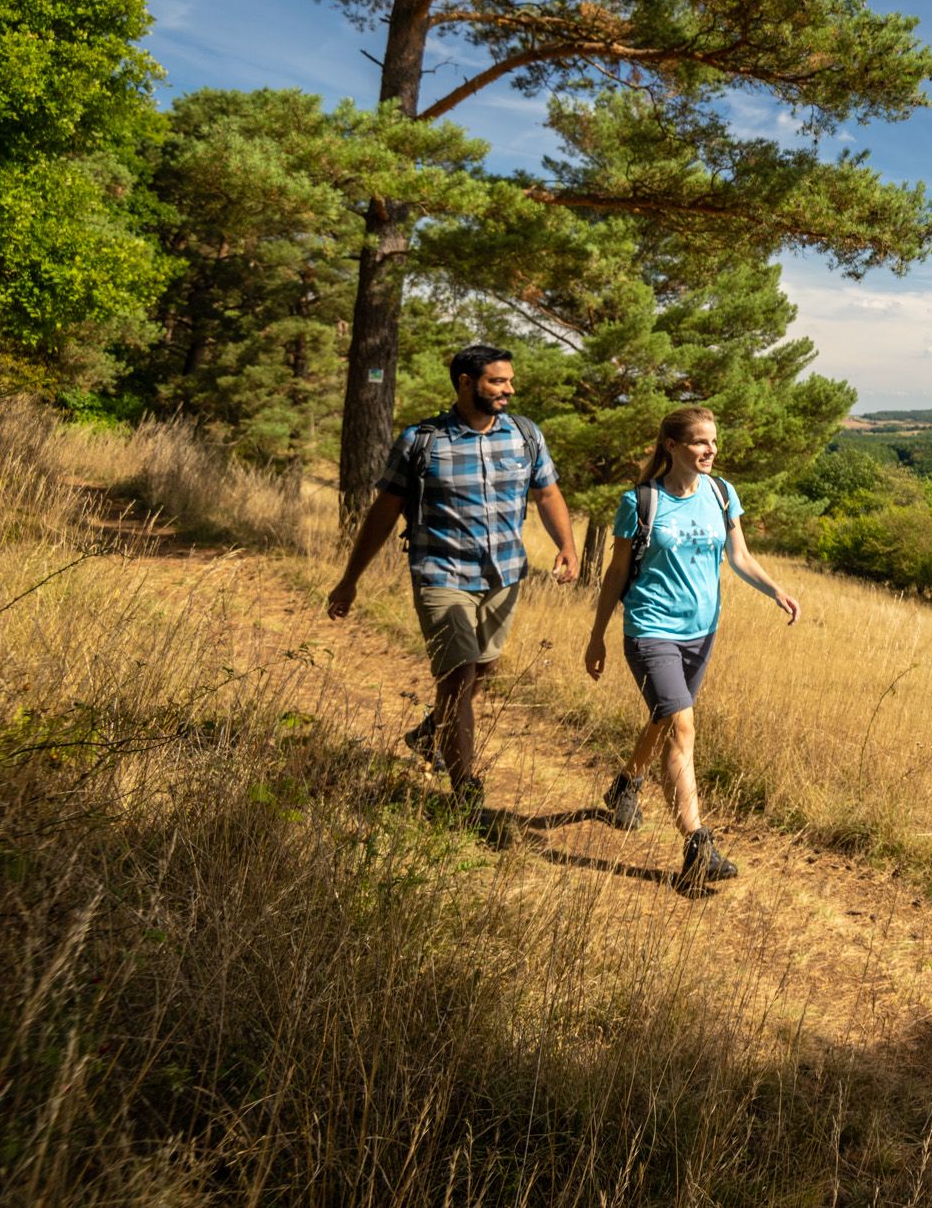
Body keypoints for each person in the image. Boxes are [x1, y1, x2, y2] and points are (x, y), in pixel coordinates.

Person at [327, 344, 577, 812]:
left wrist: (567, 544)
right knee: (459, 677)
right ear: (466, 382)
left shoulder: (525, 435)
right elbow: (384, 512)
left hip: (504, 573)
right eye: (497, 381)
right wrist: (350, 578)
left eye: (509, 381)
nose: (509, 389)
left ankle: (430, 732)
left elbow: (547, 494)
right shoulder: (421, 441)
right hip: (440, 572)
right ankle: (466, 795)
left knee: (484, 665)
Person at [585, 405, 799, 893]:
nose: (711, 450)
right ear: (672, 447)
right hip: (649, 628)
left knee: (664, 721)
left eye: (714, 442)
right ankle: (697, 845)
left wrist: (775, 590)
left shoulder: (722, 494)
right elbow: (617, 573)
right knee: (682, 724)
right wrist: (597, 635)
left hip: (702, 633)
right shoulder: (640, 501)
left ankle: (625, 783)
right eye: (701, 442)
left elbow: (739, 556)